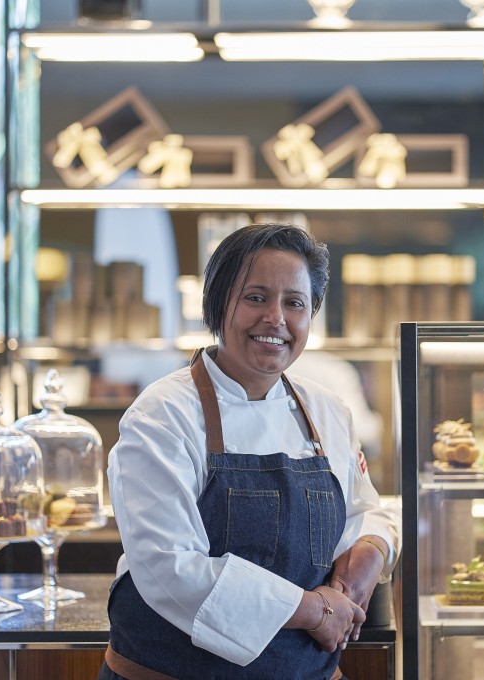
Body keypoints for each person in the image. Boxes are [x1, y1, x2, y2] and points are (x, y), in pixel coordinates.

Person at [99, 223, 400, 680]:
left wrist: (372, 551)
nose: (275, 319)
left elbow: (365, 510)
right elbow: (170, 568)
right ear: (218, 305)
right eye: (255, 297)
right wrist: (313, 611)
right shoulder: (163, 414)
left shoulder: (326, 410)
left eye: (294, 303)